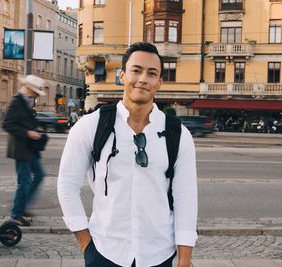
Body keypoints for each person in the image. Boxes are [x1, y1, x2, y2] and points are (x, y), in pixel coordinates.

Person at [58, 42, 198, 267]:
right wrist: (86, 243)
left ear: (159, 82)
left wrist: (184, 259)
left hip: (158, 254)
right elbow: (66, 184)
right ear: (122, 75)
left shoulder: (178, 134)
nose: (143, 78)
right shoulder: (91, 126)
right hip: (105, 252)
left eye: (152, 73)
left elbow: (186, 198)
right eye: (136, 70)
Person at [2, 75, 47, 227]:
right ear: (28, 88)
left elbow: (26, 121)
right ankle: (16, 214)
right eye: (35, 92)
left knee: (39, 175)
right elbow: (7, 124)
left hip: (30, 147)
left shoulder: (26, 101)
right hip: (21, 148)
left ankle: (23, 206)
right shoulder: (16, 101)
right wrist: (27, 133)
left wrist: (37, 129)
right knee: (25, 182)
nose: (36, 95)